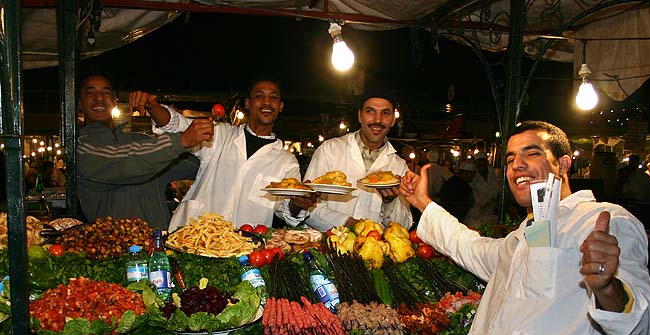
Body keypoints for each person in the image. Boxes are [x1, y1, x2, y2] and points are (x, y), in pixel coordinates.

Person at [400, 120, 650, 335]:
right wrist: (422, 203)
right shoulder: (527, 234)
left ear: (564, 163)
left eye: (531, 153)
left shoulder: (601, 221)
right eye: (509, 159)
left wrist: (608, 287)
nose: (516, 165)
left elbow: (642, 328)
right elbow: (471, 248)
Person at [134, 75, 316, 231]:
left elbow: (285, 209)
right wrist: (153, 107)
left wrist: (298, 204)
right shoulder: (220, 134)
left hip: (243, 250)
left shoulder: (286, 162)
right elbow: (178, 125)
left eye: (273, 98)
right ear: (248, 103)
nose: (266, 102)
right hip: (193, 236)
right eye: (259, 96)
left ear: (280, 106)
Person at [77, 71, 207, 230]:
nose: (99, 98)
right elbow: (125, 161)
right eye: (90, 93)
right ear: (79, 103)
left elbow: (195, 164)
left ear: (114, 101)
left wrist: (157, 111)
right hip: (114, 250)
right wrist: (181, 140)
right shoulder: (83, 147)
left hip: (158, 245)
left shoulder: (136, 139)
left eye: (106, 92)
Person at [300, 86, 413, 230]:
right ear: (360, 116)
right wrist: (347, 223)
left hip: (372, 249)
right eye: (370, 111)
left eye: (385, 113)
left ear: (392, 120)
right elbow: (306, 205)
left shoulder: (399, 166)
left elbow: (403, 226)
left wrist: (390, 202)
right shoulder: (330, 150)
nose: (377, 120)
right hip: (326, 246)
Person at [466, 151, 501, 227]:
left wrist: (493, 200)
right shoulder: (473, 175)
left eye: (483, 163)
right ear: (476, 163)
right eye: (479, 163)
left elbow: (497, 187)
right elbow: (473, 193)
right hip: (477, 209)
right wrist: (483, 203)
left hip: (492, 207)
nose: (481, 166)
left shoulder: (493, 172)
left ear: (487, 162)